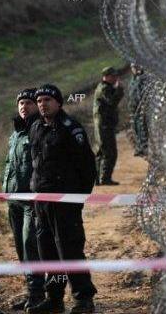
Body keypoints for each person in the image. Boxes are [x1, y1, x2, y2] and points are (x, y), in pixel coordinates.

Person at [27, 84, 98, 314]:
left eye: (47, 99)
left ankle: (83, 299)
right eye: (39, 101)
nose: (42, 104)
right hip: (42, 202)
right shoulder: (36, 127)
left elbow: (87, 166)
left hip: (65, 203)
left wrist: (78, 198)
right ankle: (55, 299)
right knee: (47, 251)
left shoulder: (71, 128)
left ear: (58, 103)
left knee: (70, 249)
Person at [3, 88, 45, 311]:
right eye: (20, 103)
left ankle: (39, 294)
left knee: (31, 247)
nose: (23, 106)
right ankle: (32, 293)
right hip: (13, 200)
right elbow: (10, 166)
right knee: (21, 249)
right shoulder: (16, 133)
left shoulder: (40, 130)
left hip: (32, 202)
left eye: (28, 103)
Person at [92, 67, 124, 185]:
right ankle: (104, 178)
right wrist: (119, 90)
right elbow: (112, 102)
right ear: (107, 76)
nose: (116, 78)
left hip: (104, 125)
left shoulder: (105, 87)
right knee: (109, 152)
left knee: (102, 152)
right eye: (113, 76)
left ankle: (98, 179)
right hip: (104, 126)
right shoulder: (104, 88)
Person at [128, 63, 148, 156]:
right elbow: (131, 93)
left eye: (136, 67)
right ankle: (140, 146)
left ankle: (144, 146)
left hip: (142, 106)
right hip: (134, 106)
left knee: (142, 126)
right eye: (133, 67)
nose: (135, 69)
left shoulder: (143, 78)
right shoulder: (133, 79)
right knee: (136, 127)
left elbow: (144, 92)